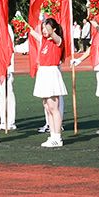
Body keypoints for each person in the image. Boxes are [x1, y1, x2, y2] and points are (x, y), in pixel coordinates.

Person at [30, 18, 67, 148]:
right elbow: (32, 32)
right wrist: (22, 23)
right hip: (43, 74)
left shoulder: (58, 40)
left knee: (53, 107)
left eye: (46, 28)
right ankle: (52, 135)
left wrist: (47, 25)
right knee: (47, 107)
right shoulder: (44, 40)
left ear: (54, 29)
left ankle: (58, 137)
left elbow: (54, 36)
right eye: (43, 29)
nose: (44, 31)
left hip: (51, 73)